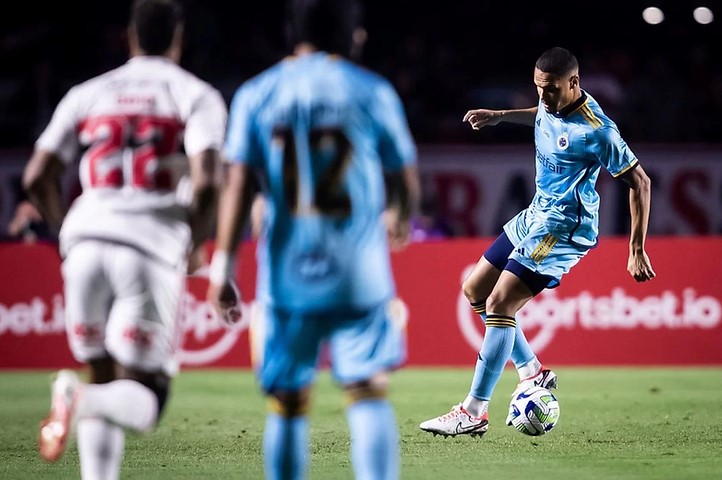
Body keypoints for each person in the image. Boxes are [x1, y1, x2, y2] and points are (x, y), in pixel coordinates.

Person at [205, 0, 420, 478]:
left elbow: (237, 185)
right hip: (359, 274)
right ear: (351, 35)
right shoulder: (371, 90)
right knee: (367, 392)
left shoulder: (257, 93)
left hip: (287, 275)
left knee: (286, 402)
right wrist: (399, 215)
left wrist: (222, 268)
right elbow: (406, 177)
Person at [23, 0, 227, 477]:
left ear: (129, 37)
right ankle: (76, 396)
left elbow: (36, 176)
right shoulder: (195, 94)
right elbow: (210, 180)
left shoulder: (88, 92)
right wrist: (194, 238)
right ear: (178, 38)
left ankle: (86, 416)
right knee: (146, 396)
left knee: (103, 372)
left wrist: (65, 235)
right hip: (148, 244)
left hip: (85, 240)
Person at [419, 46, 655, 437]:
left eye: (550, 89)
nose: (543, 97)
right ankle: (532, 372)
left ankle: (473, 411)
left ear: (574, 83)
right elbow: (541, 115)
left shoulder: (597, 131)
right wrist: (499, 117)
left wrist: (636, 248)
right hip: (535, 213)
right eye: (538, 88)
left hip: (563, 227)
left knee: (500, 303)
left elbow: (641, 183)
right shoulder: (549, 102)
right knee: (475, 289)